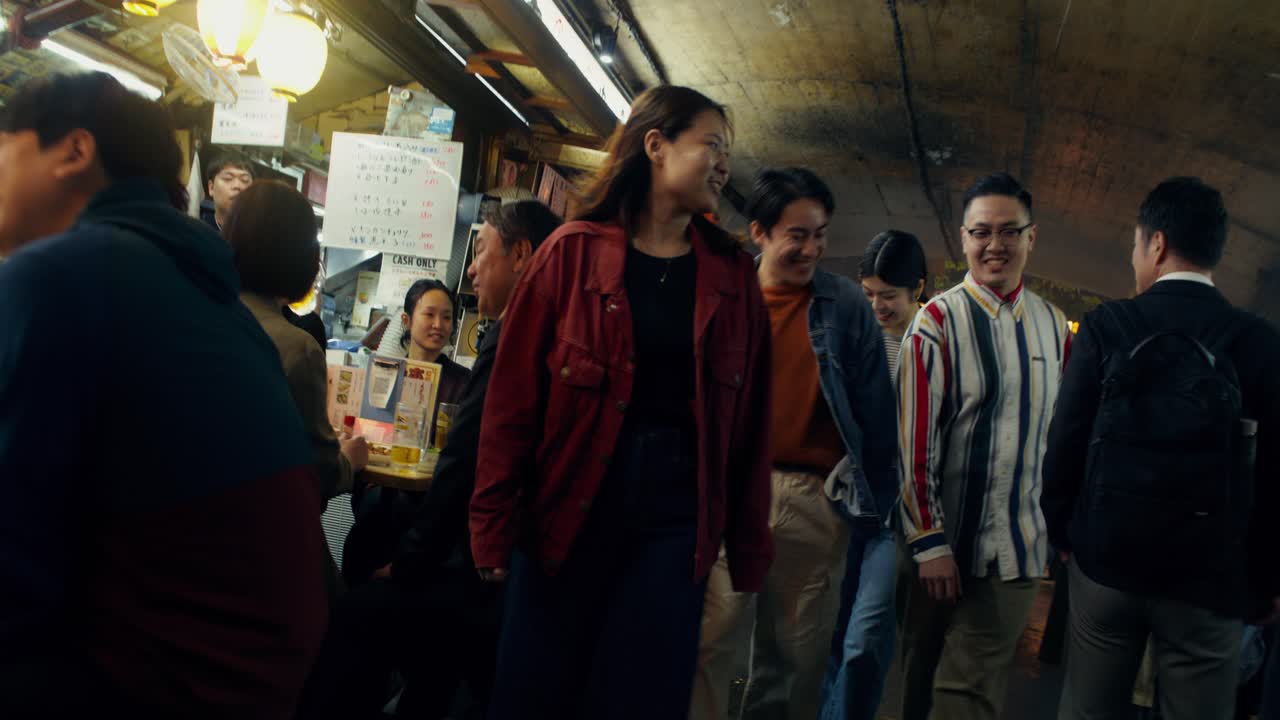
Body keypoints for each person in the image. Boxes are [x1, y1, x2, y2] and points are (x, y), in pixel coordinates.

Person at [0, 72, 327, 716]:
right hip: (265, 677)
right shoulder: (201, 287)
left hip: (161, 681)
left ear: (73, 151)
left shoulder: (63, 274)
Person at [470, 85, 775, 719]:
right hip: (569, 505)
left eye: (728, 151)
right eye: (711, 145)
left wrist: (747, 546)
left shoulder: (733, 277)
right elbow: (511, 406)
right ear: (656, 147)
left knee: (639, 696)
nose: (724, 163)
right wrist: (492, 526)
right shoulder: (570, 254)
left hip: (674, 520)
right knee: (539, 690)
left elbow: (748, 426)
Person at [296, 201, 562, 720]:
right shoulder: (547, 333)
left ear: (522, 254)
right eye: (429, 314)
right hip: (504, 565)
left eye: (481, 250)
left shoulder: (510, 341)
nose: (472, 268)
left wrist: (412, 563)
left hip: (483, 568)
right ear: (408, 321)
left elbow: (463, 464)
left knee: (358, 613)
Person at [1041, 177, 1280, 720]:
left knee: (1087, 708)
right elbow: (1272, 478)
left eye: (1134, 244)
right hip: (1209, 580)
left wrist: (1065, 534)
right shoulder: (1259, 343)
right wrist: (1265, 582)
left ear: (1156, 243)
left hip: (1107, 562)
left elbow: (1066, 441)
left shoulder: (1108, 327)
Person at [690, 168, 898, 720]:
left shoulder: (845, 307)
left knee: (794, 660)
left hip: (812, 501)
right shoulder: (726, 297)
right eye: (798, 235)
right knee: (711, 642)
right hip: (732, 492)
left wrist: (871, 516)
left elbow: (877, 416)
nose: (812, 248)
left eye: (820, 234)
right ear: (759, 232)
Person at [896, 172, 1072, 720]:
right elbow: (914, 443)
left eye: (1009, 231)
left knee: (975, 686)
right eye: (981, 232)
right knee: (921, 684)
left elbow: (1059, 438)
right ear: (964, 237)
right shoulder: (936, 323)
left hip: (1019, 547)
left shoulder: (1053, 327)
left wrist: (1058, 531)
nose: (995, 244)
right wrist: (929, 541)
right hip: (945, 549)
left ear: (1031, 237)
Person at [224, 180, 369, 594]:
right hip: (264, 552)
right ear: (302, 257)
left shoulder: (200, 317)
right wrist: (350, 459)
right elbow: (315, 471)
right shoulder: (296, 347)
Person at [819, 229, 930, 720]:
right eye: (869, 294)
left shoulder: (929, 344)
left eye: (888, 296)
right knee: (829, 634)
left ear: (918, 290)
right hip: (847, 505)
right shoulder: (854, 333)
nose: (877, 306)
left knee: (865, 638)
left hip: (894, 514)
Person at [343, 278, 471, 585]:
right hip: (377, 496)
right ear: (406, 319)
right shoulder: (384, 374)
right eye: (429, 314)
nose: (439, 324)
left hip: (429, 509)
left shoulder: (464, 383)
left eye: (447, 317)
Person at [203, 151, 254, 230]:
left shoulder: (263, 237)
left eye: (245, 180)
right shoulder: (195, 233)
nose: (237, 186)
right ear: (211, 188)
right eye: (228, 178)